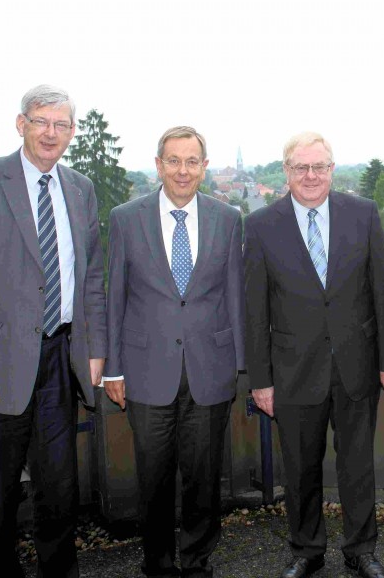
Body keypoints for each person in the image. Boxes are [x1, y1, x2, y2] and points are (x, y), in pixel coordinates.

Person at [0, 84, 107, 578]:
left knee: (59, 489)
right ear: (21, 124)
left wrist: (95, 347)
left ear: (72, 132)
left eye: (62, 124)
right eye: (41, 121)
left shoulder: (80, 189)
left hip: (61, 359)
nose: (51, 132)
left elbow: (92, 277)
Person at [244, 132, 384, 578]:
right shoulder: (260, 225)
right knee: (299, 469)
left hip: (357, 364)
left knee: (358, 467)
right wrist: (261, 380)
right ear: (286, 171)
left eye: (319, 167)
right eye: (300, 168)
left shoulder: (364, 214)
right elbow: (254, 310)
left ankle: (361, 550)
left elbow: (382, 295)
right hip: (292, 371)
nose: (311, 176)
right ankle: (306, 550)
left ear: (332, 169)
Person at [104, 126, 244, 578]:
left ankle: (197, 561)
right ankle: (158, 564)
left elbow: (235, 296)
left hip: (210, 368)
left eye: (192, 161)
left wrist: (244, 366)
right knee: (155, 479)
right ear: (158, 165)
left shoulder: (228, 218)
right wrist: (113, 369)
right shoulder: (126, 218)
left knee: (204, 478)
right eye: (174, 160)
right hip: (146, 371)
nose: (183, 170)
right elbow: (114, 298)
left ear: (204, 167)